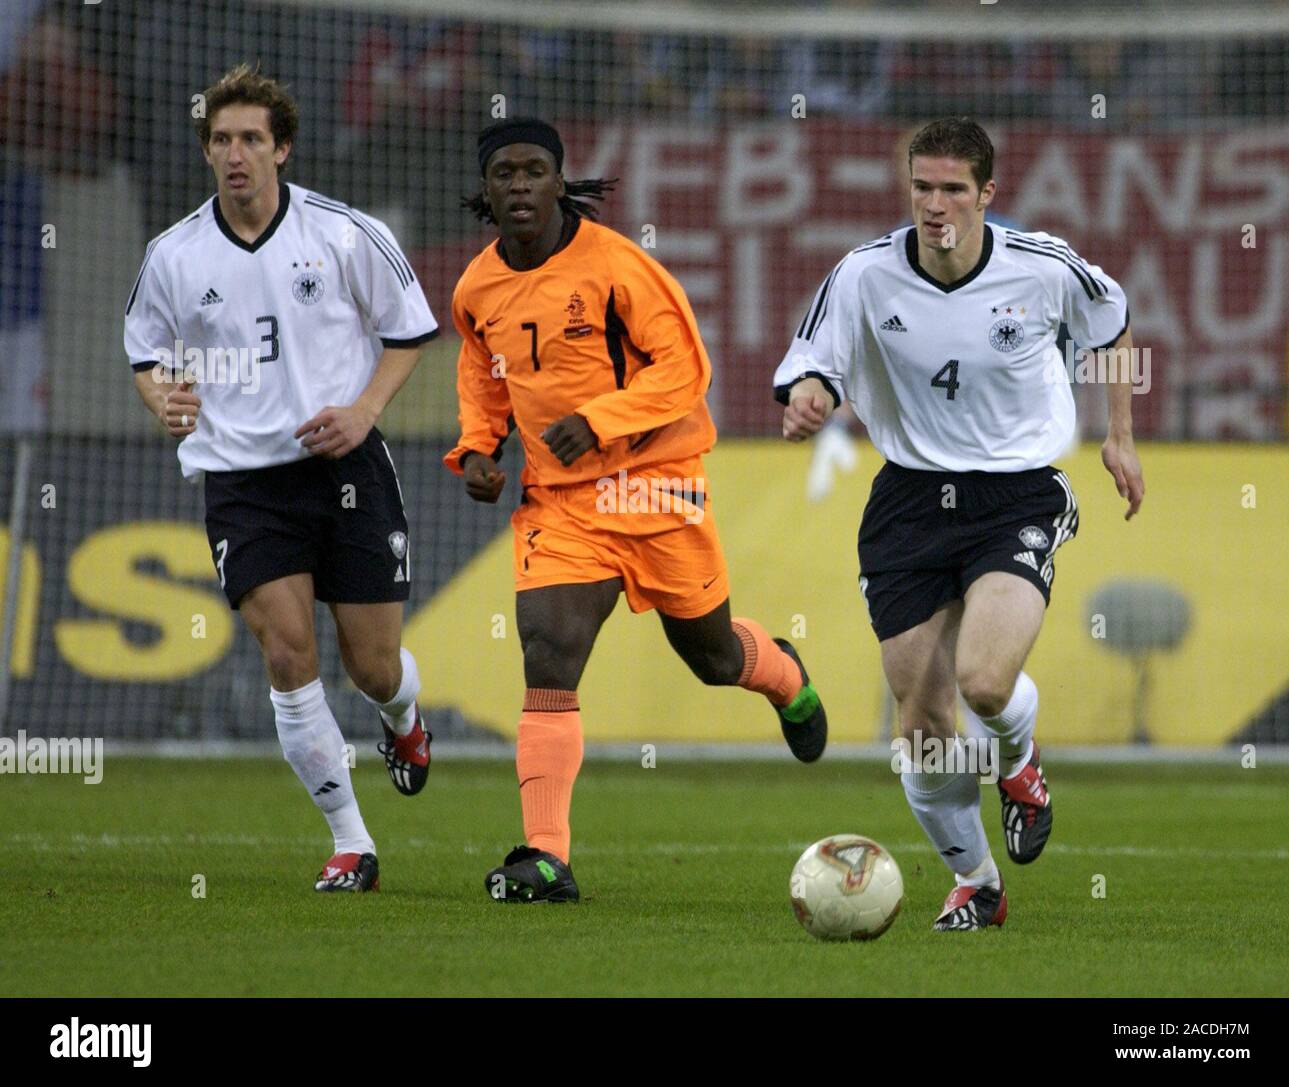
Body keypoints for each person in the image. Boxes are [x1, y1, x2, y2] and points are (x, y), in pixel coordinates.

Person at [775, 117, 1144, 930]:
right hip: (908, 501)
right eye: (922, 188)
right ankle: (978, 883)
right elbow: (812, 358)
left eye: (951, 189)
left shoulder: (1041, 266)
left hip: (1016, 495)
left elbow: (1111, 320)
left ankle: (1020, 764)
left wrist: (1119, 434)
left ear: (987, 193)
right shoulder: (864, 273)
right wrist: (811, 395)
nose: (934, 205)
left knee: (984, 680)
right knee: (925, 727)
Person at [446, 117, 828, 903]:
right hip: (562, 500)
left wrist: (600, 419)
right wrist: (479, 448)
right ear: (487, 191)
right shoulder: (476, 288)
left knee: (714, 658)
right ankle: (545, 856)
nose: (519, 186)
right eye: (504, 174)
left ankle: (783, 674)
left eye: (534, 171)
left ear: (560, 182)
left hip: (656, 483)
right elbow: (486, 371)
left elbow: (687, 368)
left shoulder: (619, 267)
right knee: (548, 647)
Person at [124, 64, 439, 893]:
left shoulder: (343, 234)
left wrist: (365, 410)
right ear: (207, 151)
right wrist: (165, 397)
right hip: (242, 482)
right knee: (288, 651)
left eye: (252, 139)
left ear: (283, 148)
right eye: (222, 140)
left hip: (344, 467)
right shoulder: (174, 255)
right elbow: (146, 353)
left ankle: (403, 719)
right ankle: (351, 840)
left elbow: (409, 331)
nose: (236, 155)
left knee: (373, 666)